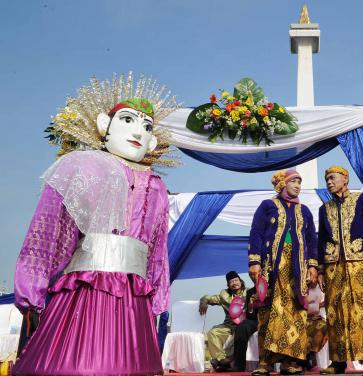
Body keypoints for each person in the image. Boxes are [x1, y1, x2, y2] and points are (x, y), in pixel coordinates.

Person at [13, 73, 178, 375]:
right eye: (127, 120)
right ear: (105, 125)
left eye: (146, 126)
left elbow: (157, 251)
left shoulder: (157, 187)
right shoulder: (81, 165)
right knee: (82, 365)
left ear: (153, 140)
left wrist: (158, 297)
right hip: (87, 291)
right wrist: (32, 291)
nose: (138, 132)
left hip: (134, 299)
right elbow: (49, 230)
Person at [248, 169, 318, 376]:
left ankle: (290, 361)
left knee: (295, 312)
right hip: (271, 267)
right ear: (282, 184)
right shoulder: (267, 206)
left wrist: (313, 266)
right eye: (294, 181)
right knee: (269, 311)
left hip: (297, 268)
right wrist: (254, 261)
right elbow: (256, 232)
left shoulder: (304, 211)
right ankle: (265, 362)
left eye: (299, 182)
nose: (298, 185)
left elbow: (312, 239)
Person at [317, 166, 363, 374]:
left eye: (332, 177)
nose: (329, 182)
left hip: (360, 261)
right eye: (326, 179)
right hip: (332, 265)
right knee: (335, 311)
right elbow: (321, 240)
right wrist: (319, 269)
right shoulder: (323, 208)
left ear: (345, 179)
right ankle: (338, 362)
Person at [199, 271, 247, 372]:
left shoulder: (249, 292)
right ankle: (222, 360)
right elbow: (208, 298)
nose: (234, 283)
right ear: (228, 285)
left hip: (244, 325)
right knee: (213, 332)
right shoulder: (224, 295)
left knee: (241, 332)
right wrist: (203, 301)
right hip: (229, 326)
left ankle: (229, 363)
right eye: (231, 282)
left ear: (240, 281)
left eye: (236, 280)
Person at [232, 284, 259, 372]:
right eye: (251, 275)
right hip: (255, 320)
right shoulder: (250, 292)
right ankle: (239, 365)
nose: (253, 277)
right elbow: (249, 315)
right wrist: (251, 306)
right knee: (241, 327)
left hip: (270, 318)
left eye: (255, 274)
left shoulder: (272, 287)